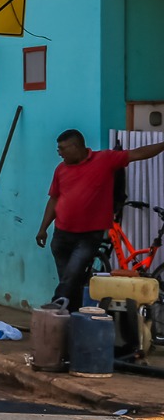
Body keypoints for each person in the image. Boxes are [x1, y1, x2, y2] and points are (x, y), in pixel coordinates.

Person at [36, 129, 164, 308]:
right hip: (61, 235)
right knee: (71, 281)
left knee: (72, 275)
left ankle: (57, 302)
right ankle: (71, 320)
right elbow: (54, 199)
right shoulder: (61, 170)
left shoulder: (104, 160)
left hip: (88, 236)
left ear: (75, 146)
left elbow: (138, 153)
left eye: (62, 149)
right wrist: (43, 228)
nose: (60, 153)